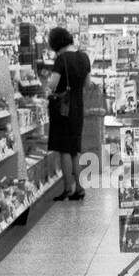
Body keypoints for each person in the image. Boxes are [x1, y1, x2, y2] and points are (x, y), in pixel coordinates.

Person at [42, 25, 91, 199]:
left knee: (64, 150)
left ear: (56, 44)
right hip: (78, 107)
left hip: (63, 109)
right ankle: (79, 187)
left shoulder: (62, 59)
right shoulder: (84, 57)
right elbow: (88, 84)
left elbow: (53, 84)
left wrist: (47, 84)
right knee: (74, 150)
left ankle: (67, 189)